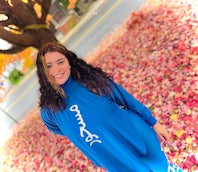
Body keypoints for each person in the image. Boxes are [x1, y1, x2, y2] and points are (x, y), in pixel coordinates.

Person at [36, 42, 182, 172]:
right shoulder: (48, 111)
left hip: (134, 132)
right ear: (43, 71)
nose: (56, 69)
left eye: (60, 62)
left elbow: (126, 100)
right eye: (49, 66)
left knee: (162, 167)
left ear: (69, 62)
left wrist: (154, 123)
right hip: (110, 153)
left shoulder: (91, 81)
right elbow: (59, 129)